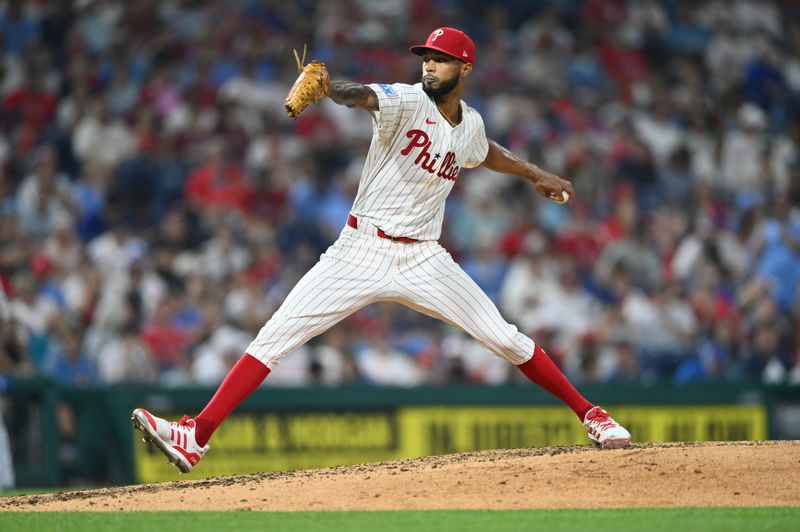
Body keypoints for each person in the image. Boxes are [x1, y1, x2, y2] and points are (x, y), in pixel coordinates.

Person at [132, 27, 631, 473]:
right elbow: (364, 96)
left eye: (439, 58)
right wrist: (330, 88)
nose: (428, 65)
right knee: (274, 336)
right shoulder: (407, 100)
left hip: (424, 259)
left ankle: (593, 414)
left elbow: (484, 151)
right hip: (359, 250)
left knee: (505, 337)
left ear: (464, 68)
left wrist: (535, 173)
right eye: (425, 57)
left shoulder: (471, 124)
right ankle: (195, 436)